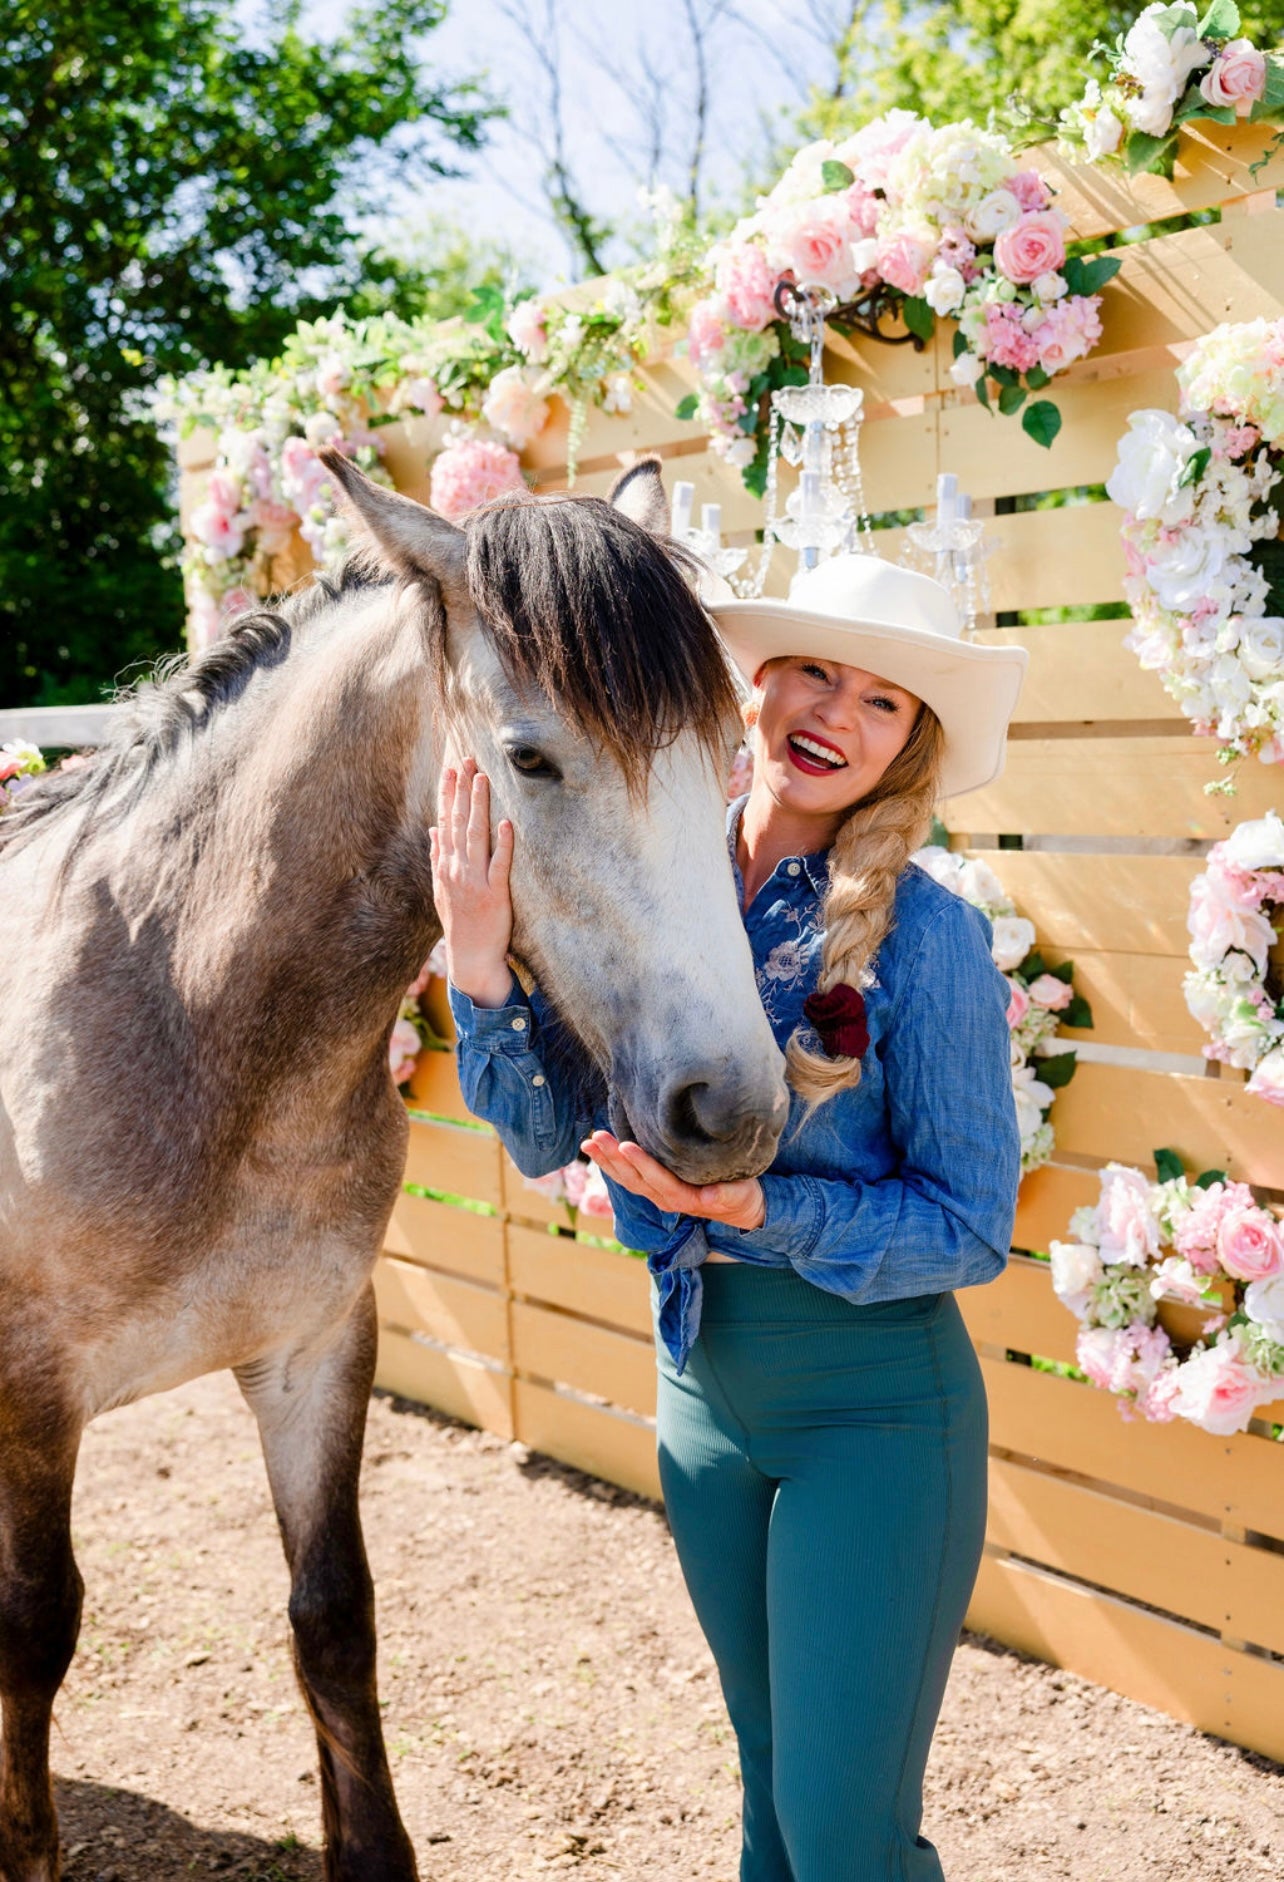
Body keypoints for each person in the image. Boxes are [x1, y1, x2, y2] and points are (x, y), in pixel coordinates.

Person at [432, 549, 1027, 1882]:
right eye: (814, 667)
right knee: (765, 1808)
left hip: (874, 1418)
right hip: (699, 1406)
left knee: (841, 1835)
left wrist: (767, 1207)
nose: (834, 710)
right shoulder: (652, 893)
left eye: (882, 700)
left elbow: (971, 1225)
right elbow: (545, 1136)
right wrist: (478, 966)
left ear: (912, 746)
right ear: (750, 687)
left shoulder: (928, 939)